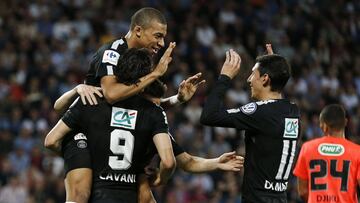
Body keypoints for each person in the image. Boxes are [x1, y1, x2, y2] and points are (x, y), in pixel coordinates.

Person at [52, 7, 205, 203]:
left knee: (144, 195)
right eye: (158, 36)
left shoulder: (140, 59)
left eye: (163, 37)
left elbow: (139, 107)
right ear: (138, 30)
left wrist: (177, 99)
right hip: (84, 131)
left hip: (111, 132)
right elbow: (112, 94)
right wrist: (155, 74)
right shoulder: (112, 52)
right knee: (81, 195)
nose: (161, 43)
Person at [46, 48, 177, 203]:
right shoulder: (154, 112)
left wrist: (80, 154)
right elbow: (168, 162)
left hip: (95, 195)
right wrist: (161, 179)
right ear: (146, 77)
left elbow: (51, 141)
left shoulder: (90, 99)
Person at [200, 47, 300, 203]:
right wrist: (275, 67)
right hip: (281, 198)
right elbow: (275, 102)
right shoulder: (293, 110)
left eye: (253, 74)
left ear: (265, 79)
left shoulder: (259, 113)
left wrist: (224, 77)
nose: (249, 79)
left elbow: (208, 116)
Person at [293, 104, 360, 203]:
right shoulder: (357, 151)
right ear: (345, 122)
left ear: (323, 126)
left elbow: (302, 191)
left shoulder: (307, 148)